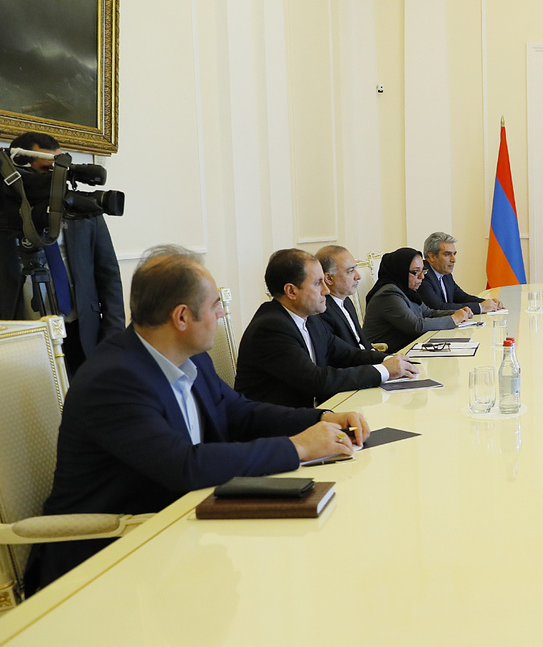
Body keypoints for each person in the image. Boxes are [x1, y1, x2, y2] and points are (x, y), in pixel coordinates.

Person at [23, 247, 370, 593]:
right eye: (215, 305)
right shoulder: (114, 379)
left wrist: (324, 417)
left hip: (181, 534)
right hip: (105, 561)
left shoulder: (191, 357)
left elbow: (240, 412)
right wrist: (298, 448)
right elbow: (184, 466)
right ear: (182, 317)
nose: (221, 314)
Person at [1, 132, 124, 375]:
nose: (57, 177)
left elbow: (109, 275)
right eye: (47, 170)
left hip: (83, 330)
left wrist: (114, 337)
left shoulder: (83, 208)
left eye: (60, 169)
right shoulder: (5, 214)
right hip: (24, 332)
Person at [234, 248, 418, 407]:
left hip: (314, 413)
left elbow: (348, 354)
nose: (326, 290)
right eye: (317, 283)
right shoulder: (271, 327)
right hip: (278, 427)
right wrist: (385, 370)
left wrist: (392, 360)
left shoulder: (310, 318)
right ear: (291, 291)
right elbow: (317, 381)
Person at [363, 247, 474, 352]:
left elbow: (429, 313)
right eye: (416, 272)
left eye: (423, 271)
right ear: (400, 271)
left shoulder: (407, 290)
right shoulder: (388, 294)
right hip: (386, 355)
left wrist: (458, 312)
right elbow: (416, 326)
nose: (422, 277)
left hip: (405, 350)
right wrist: (454, 319)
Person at [414, 231, 503, 313]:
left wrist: (488, 303)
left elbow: (461, 297)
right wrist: (479, 307)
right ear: (432, 256)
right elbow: (439, 308)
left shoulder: (446, 274)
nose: (453, 259)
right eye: (447, 254)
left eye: (454, 254)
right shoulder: (422, 276)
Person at [315, 244, 373, 352]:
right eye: (350, 271)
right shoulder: (322, 311)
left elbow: (363, 343)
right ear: (329, 278)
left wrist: (385, 358)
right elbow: (342, 354)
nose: (358, 276)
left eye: (355, 269)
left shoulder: (346, 301)